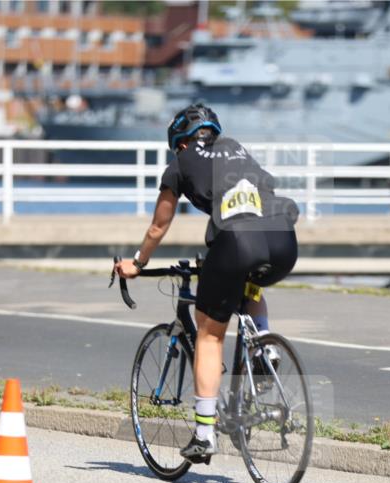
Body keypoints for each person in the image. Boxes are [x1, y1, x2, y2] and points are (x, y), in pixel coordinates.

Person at [115, 104, 298, 463]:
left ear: (179, 142)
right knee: (248, 282)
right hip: (283, 238)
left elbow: (158, 227)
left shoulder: (181, 163)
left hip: (238, 238)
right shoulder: (235, 147)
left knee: (209, 334)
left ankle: (202, 434)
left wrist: (137, 263)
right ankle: (263, 343)